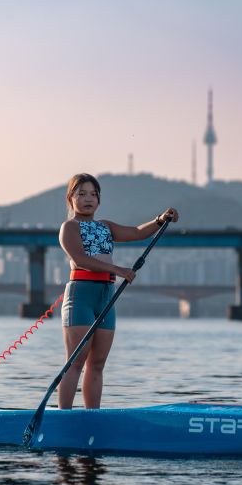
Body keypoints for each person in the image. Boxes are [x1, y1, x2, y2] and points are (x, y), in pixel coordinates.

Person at [58, 173, 179, 410]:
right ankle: (64, 417)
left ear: (99, 199)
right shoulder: (69, 227)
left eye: (93, 194)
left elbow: (136, 232)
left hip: (106, 296)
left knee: (98, 363)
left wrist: (160, 219)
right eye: (81, 194)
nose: (88, 199)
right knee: (76, 361)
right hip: (81, 295)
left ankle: (93, 417)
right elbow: (80, 259)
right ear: (70, 198)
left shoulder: (106, 226)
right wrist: (118, 269)